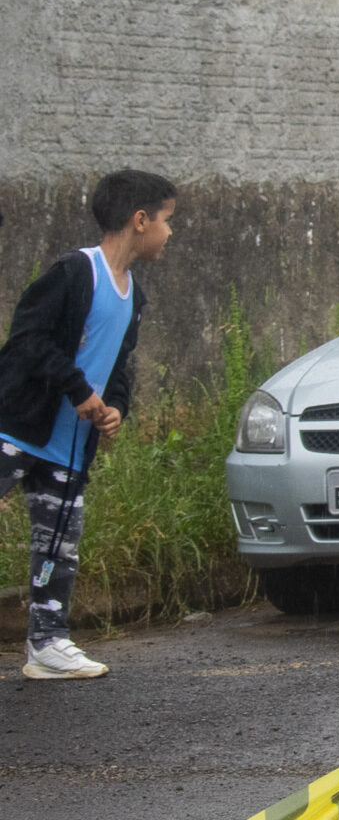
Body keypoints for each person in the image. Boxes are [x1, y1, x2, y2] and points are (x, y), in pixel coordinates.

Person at [0, 169, 176, 679]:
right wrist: (77, 389)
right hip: (16, 430)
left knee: (57, 545)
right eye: (168, 221)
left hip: (68, 448)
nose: (170, 233)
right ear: (140, 221)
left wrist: (115, 405)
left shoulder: (133, 297)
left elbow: (119, 366)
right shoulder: (76, 272)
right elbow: (27, 340)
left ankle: (47, 644)